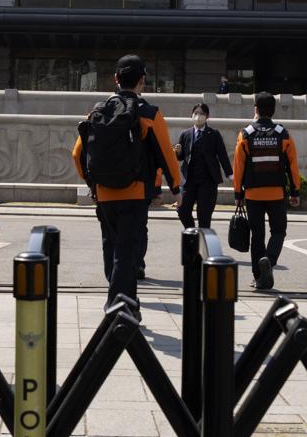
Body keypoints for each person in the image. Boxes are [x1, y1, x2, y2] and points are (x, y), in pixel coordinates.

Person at [72, 55, 180, 318]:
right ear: (143, 81)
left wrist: (93, 185)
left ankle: (129, 304)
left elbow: (77, 154)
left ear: (116, 79)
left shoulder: (97, 111)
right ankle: (117, 307)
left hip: (105, 194)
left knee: (112, 246)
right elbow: (167, 154)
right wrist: (177, 188)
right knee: (127, 252)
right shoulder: (149, 114)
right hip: (134, 193)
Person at [234, 92, 300, 292]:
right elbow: (292, 166)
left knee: (257, 235)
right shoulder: (283, 134)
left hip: (253, 195)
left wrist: (238, 194)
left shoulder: (246, 133)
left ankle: (258, 277)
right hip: (276, 194)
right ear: (273, 110)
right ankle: (269, 261)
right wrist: (295, 191)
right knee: (278, 231)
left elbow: (238, 167)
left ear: (256, 109)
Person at [174, 102, 232, 231]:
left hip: (208, 181)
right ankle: (192, 231)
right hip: (189, 180)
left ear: (207, 116)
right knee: (182, 210)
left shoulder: (214, 134)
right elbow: (182, 157)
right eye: (196, 113)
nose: (198, 116)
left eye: (201, 114)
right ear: (191, 115)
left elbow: (222, 155)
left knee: (204, 216)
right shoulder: (185, 134)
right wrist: (178, 152)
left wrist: (230, 173)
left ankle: (202, 246)